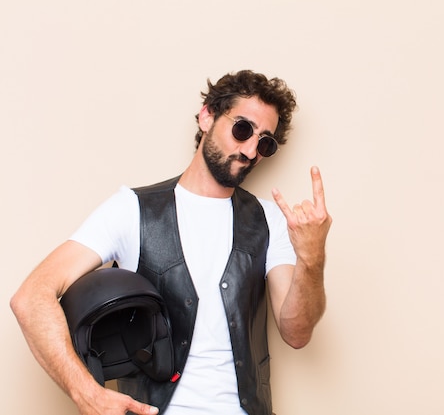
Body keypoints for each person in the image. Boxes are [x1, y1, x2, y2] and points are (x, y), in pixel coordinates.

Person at [10, 70, 331, 415]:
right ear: (207, 115)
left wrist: (312, 256)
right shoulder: (131, 209)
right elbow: (31, 298)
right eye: (242, 129)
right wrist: (86, 393)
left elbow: (296, 333)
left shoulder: (270, 220)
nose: (251, 150)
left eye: (265, 143)